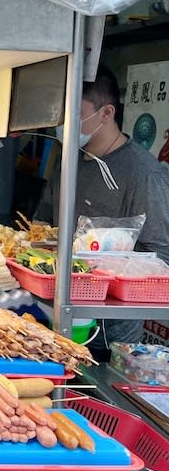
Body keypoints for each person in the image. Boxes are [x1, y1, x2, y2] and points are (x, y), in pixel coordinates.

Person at [35, 65, 169, 357]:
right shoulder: (68, 162)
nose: (65, 124)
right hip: (51, 314)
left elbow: (162, 257)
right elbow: (43, 221)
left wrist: (102, 266)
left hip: (108, 334)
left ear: (107, 113)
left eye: (76, 113)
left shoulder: (144, 174)